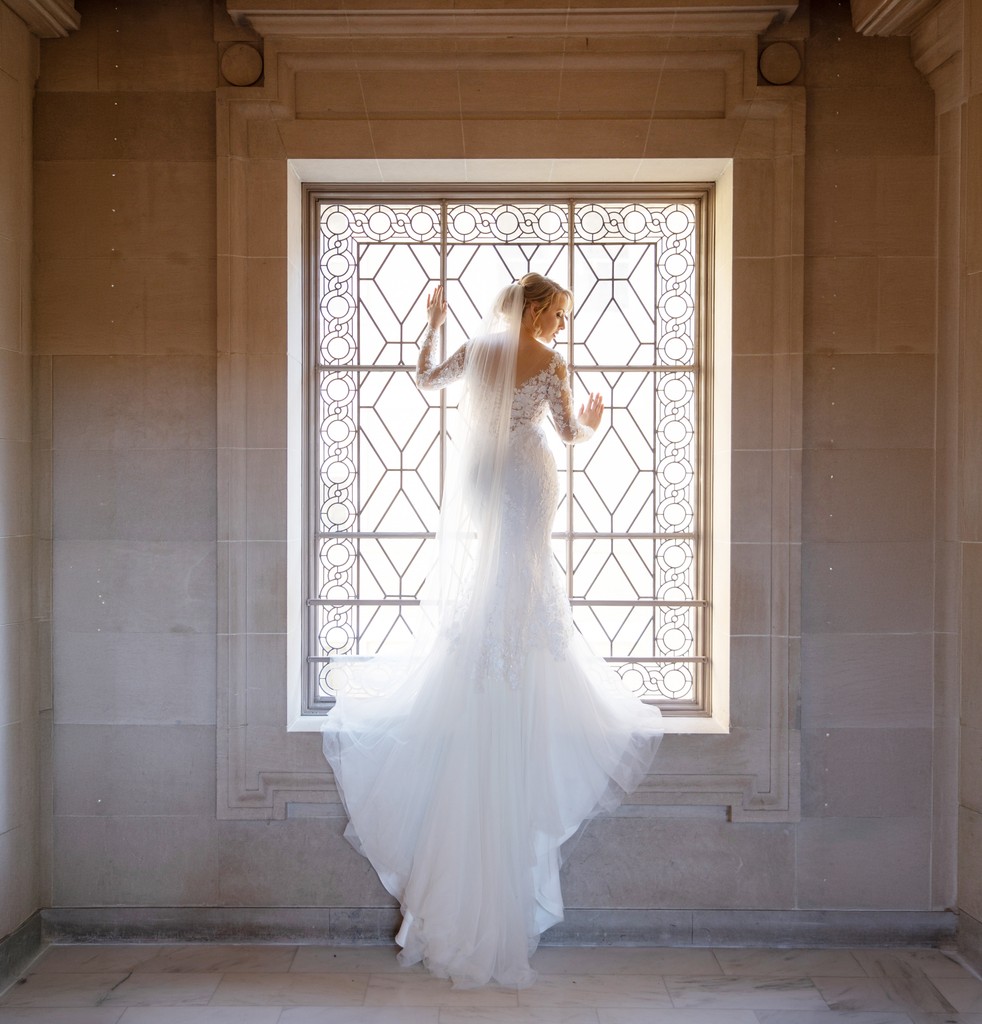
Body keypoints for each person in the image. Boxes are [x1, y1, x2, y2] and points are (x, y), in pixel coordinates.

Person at [322, 273, 663, 989]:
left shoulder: (477, 350)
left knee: (498, 575)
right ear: (536, 308)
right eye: (559, 314)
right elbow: (568, 431)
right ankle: (511, 649)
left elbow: (421, 377)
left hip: (487, 476)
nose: (562, 327)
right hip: (529, 473)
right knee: (525, 575)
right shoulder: (551, 363)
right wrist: (596, 419)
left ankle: (494, 648)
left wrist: (432, 320)